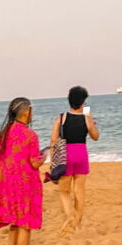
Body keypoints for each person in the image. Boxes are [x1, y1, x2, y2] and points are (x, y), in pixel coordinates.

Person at [0, 97, 48, 245]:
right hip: (26, 183)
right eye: (31, 110)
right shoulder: (31, 135)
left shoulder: (5, 133)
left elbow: (0, 161)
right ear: (25, 112)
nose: (32, 114)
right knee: (25, 224)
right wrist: (45, 155)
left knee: (14, 222)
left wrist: (0, 180)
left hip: (8, 182)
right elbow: (34, 163)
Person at [50, 85, 99, 231]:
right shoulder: (86, 118)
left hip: (66, 154)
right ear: (83, 102)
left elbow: (53, 141)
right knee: (79, 191)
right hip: (81, 154)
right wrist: (91, 122)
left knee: (64, 191)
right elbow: (95, 137)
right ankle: (77, 223)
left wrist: (53, 160)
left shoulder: (61, 118)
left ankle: (70, 215)